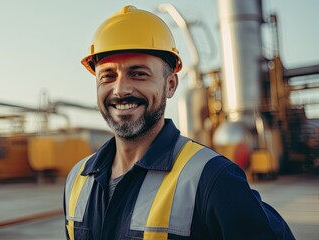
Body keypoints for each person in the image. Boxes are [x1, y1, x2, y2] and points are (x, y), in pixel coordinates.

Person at [64, 5, 294, 240]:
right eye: (108, 76)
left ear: (171, 84)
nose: (120, 89)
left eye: (138, 73)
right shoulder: (77, 179)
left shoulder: (212, 178)